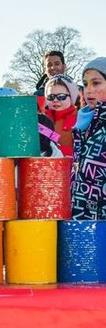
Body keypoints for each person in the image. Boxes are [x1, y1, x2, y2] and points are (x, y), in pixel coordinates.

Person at [71, 57, 106, 220]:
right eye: (85, 84)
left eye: (96, 83)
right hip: (81, 217)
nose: (89, 90)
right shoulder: (81, 125)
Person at [44, 74, 79, 156]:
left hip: (69, 166)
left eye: (61, 96)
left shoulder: (79, 119)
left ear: (72, 97)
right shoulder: (42, 120)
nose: (55, 100)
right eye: (51, 97)